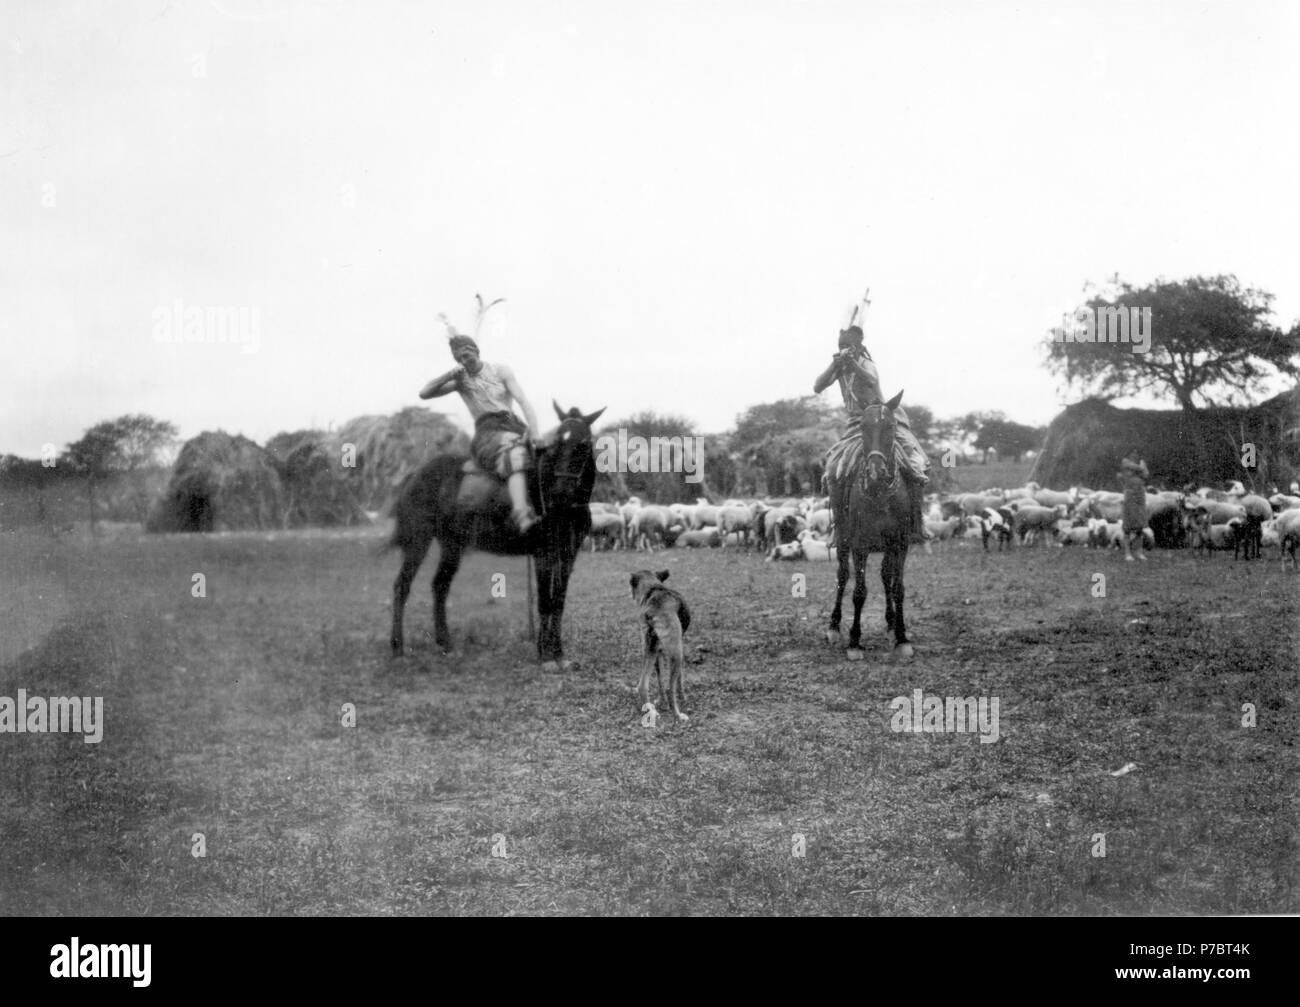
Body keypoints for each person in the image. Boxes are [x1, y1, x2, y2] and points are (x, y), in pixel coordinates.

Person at [814, 298, 931, 540]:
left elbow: (870, 381)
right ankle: (840, 529)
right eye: (840, 344)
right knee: (835, 468)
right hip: (856, 424)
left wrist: (853, 364)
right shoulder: (839, 368)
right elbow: (817, 386)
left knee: (914, 462)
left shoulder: (866, 363)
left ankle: (917, 523)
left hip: (882, 417)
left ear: (858, 345)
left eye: (847, 345)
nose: (843, 348)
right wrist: (833, 366)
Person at [420, 314, 540, 533]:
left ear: (476, 351)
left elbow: (523, 401)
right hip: (487, 433)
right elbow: (424, 393)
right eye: (459, 358)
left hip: (514, 425)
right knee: (514, 453)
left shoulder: (501, 370)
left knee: (544, 456)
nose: (465, 360)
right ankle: (522, 515)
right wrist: (449, 375)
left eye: (467, 354)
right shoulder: (460, 381)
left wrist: (536, 432)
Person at [1119, 455, 1149, 562]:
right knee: (1128, 527)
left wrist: (1138, 470)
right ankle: (1128, 553)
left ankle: (1138, 552)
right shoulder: (1125, 461)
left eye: (1137, 452)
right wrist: (1139, 469)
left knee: (1140, 527)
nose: (1135, 454)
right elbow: (1138, 469)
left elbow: (1146, 475)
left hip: (1140, 497)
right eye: (1133, 452)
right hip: (1130, 497)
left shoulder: (1141, 461)